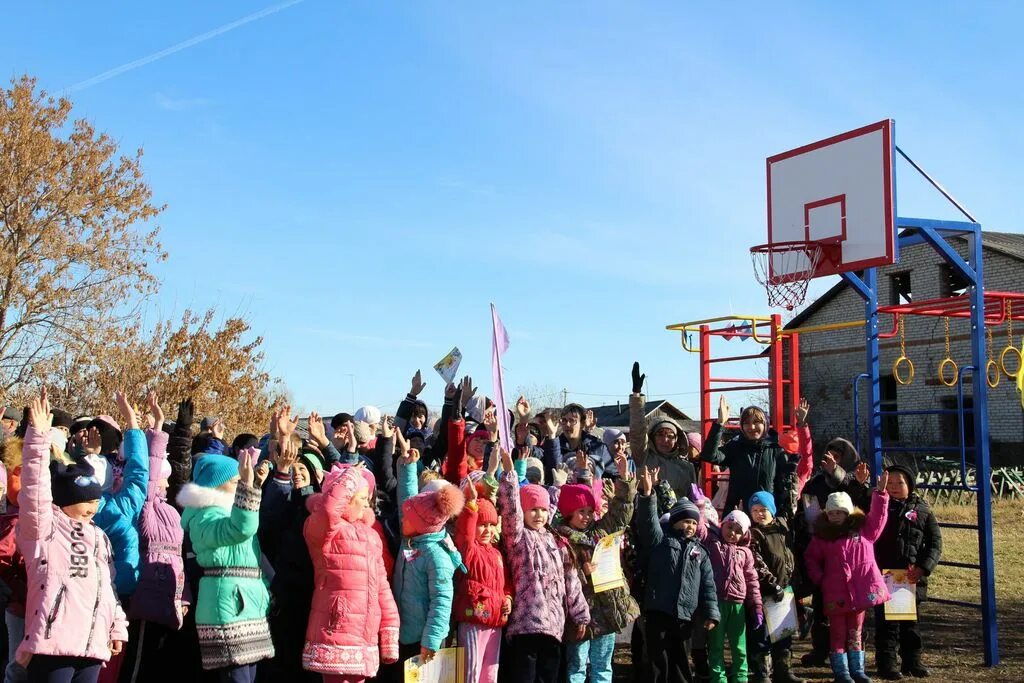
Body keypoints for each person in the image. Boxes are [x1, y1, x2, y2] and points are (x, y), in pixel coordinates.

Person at [16, 389, 128, 683]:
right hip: (54, 645)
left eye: (95, 500)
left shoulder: (99, 536)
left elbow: (108, 587)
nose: (93, 506)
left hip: (92, 645)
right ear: (65, 498)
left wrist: (116, 626)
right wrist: (38, 438)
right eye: (86, 500)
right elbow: (34, 489)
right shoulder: (44, 528)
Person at [177, 448, 274, 682]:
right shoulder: (204, 516)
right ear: (215, 485)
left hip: (246, 605)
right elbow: (241, 529)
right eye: (236, 481)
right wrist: (249, 488)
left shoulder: (228, 512)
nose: (241, 483)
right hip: (228, 607)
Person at [499, 447, 589, 683]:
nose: (539, 515)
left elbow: (570, 579)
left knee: (549, 677)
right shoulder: (518, 538)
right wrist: (510, 476)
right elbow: (510, 513)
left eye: (542, 510)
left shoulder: (556, 540)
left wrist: (580, 614)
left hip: (554, 626)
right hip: (525, 625)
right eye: (533, 510)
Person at [302, 464, 399, 683]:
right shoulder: (325, 529)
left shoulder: (371, 535)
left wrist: (389, 629)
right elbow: (329, 511)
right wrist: (352, 475)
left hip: (364, 634)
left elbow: (382, 586)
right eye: (363, 497)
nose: (367, 503)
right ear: (347, 496)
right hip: (336, 629)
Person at [554, 450, 640, 683]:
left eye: (590, 511)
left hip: (608, 609)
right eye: (581, 512)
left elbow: (621, 512)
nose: (587, 516)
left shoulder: (600, 530)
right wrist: (583, 573)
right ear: (568, 513)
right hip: (581, 613)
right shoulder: (562, 539)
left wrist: (625, 479)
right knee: (577, 665)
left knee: (603, 665)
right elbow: (558, 575)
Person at [123, 393, 191, 682]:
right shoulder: (147, 505)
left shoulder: (173, 512)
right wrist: (158, 428)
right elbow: (147, 473)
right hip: (145, 596)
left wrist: (184, 595)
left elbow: (178, 557)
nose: (165, 477)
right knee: (137, 664)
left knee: (160, 665)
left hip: (170, 600)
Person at [635, 467, 719, 683]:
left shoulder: (700, 552)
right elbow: (648, 523)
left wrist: (711, 613)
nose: (690, 526)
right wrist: (647, 494)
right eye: (685, 521)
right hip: (658, 611)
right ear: (674, 521)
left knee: (681, 659)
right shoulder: (661, 541)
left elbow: (708, 586)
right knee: (658, 661)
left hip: (684, 616)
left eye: (693, 522)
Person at [805, 475, 892, 683]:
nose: (835, 516)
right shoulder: (822, 537)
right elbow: (810, 558)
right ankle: (841, 672)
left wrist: (880, 495)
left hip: (860, 592)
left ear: (848, 513)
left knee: (856, 632)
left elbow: (879, 517)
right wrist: (821, 579)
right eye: (832, 512)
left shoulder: (864, 531)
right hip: (835, 591)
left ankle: (857, 669)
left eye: (840, 512)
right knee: (837, 633)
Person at [393, 434, 465, 666]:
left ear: (422, 523)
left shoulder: (437, 555)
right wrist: (408, 465)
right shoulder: (412, 539)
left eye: (408, 518)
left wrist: (431, 640)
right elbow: (407, 499)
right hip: (404, 633)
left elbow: (442, 601)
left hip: (425, 642)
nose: (402, 520)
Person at [872, 458, 942, 680]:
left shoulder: (922, 510)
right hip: (885, 575)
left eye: (899, 482)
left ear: (910, 485)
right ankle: (887, 664)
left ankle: (913, 662)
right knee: (887, 625)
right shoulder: (879, 506)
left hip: (910, 576)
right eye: (889, 482)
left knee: (910, 624)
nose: (893, 486)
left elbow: (935, 543)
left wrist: (923, 568)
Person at [452, 473, 511, 683]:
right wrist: (471, 508)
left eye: (491, 525)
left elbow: (506, 584)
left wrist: (508, 599)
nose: (487, 530)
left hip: (495, 621)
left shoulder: (496, 553)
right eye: (482, 525)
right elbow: (465, 534)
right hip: (473, 619)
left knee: (490, 673)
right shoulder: (469, 550)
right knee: (471, 672)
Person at [700, 396, 796, 519]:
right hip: (738, 515)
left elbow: (784, 485)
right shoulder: (735, 448)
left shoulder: (775, 450)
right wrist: (720, 423)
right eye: (746, 423)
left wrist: (782, 517)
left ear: (765, 424)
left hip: (767, 516)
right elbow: (709, 455)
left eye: (756, 422)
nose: (751, 427)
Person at [696, 507, 763, 683]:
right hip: (716, 602)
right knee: (715, 645)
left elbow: (752, 580)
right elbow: (700, 529)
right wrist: (701, 507)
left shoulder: (746, 552)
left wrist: (756, 606)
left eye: (738, 531)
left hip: (738, 604)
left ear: (744, 534)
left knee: (739, 646)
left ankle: (740, 677)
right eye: (730, 527)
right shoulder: (712, 542)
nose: (732, 533)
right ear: (722, 525)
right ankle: (718, 678)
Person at [746, 492, 802, 683]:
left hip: (785, 588)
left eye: (763, 510)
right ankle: (762, 672)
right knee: (760, 634)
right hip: (764, 591)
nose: (759, 514)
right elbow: (757, 562)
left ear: (772, 510)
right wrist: (772, 584)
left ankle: (783, 669)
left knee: (784, 633)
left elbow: (789, 554)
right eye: (755, 511)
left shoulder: (782, 527)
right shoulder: (753, 533)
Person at [628, 363, 696, 499]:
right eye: (660, 435)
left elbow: (694, 497)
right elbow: (637, 431)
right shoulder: (644, 456)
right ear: (652, 436)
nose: (665, 440)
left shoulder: (687, 467)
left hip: (678, 517)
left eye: (670, 436)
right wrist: (636, 396)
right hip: (648, 514)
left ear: (677, 440)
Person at [558, 404, 615, 479]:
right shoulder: (555, 447)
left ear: (582, 423)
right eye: (564, 420)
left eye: (572, 420)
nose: (567, 424)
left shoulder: (597, 446)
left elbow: (613, 475)